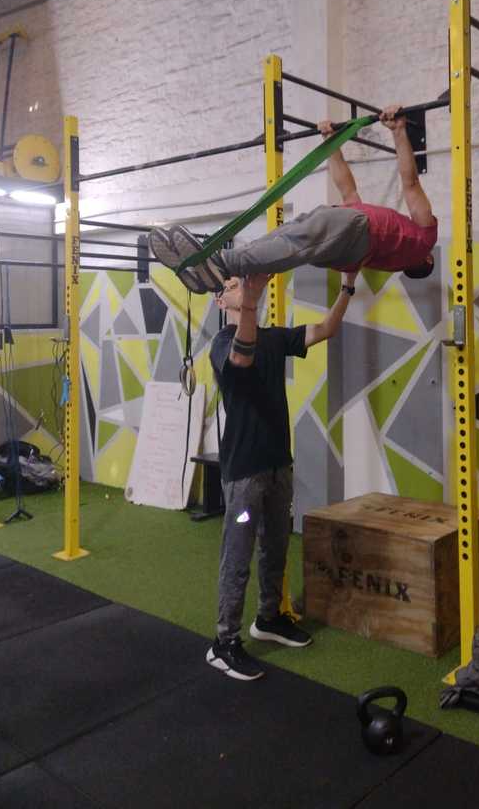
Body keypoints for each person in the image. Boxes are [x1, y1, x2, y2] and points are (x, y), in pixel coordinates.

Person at [207, 268, 356, 681]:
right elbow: (242, 357)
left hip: (277, 467)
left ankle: (268, 618)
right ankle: (224, 642)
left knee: (275, 547)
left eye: (241, 283)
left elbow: (326, 329)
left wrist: (348, 285)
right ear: (221, 302)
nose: (240, 288)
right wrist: (251, 302)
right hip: (244, 475)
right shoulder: (222, 343)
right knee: (238, 556)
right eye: (232, 286)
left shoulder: (274, 337)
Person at [149, 106, 437, 293]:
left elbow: (410, 184)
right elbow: (349, 193)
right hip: (347, 251)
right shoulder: (390, 258)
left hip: (357, 229)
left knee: (293, 238)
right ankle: (210, 266)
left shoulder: (424, 240)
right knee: (288, 238)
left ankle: (221, 263)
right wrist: (331, 141)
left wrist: (399, 131)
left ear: (427, 258)